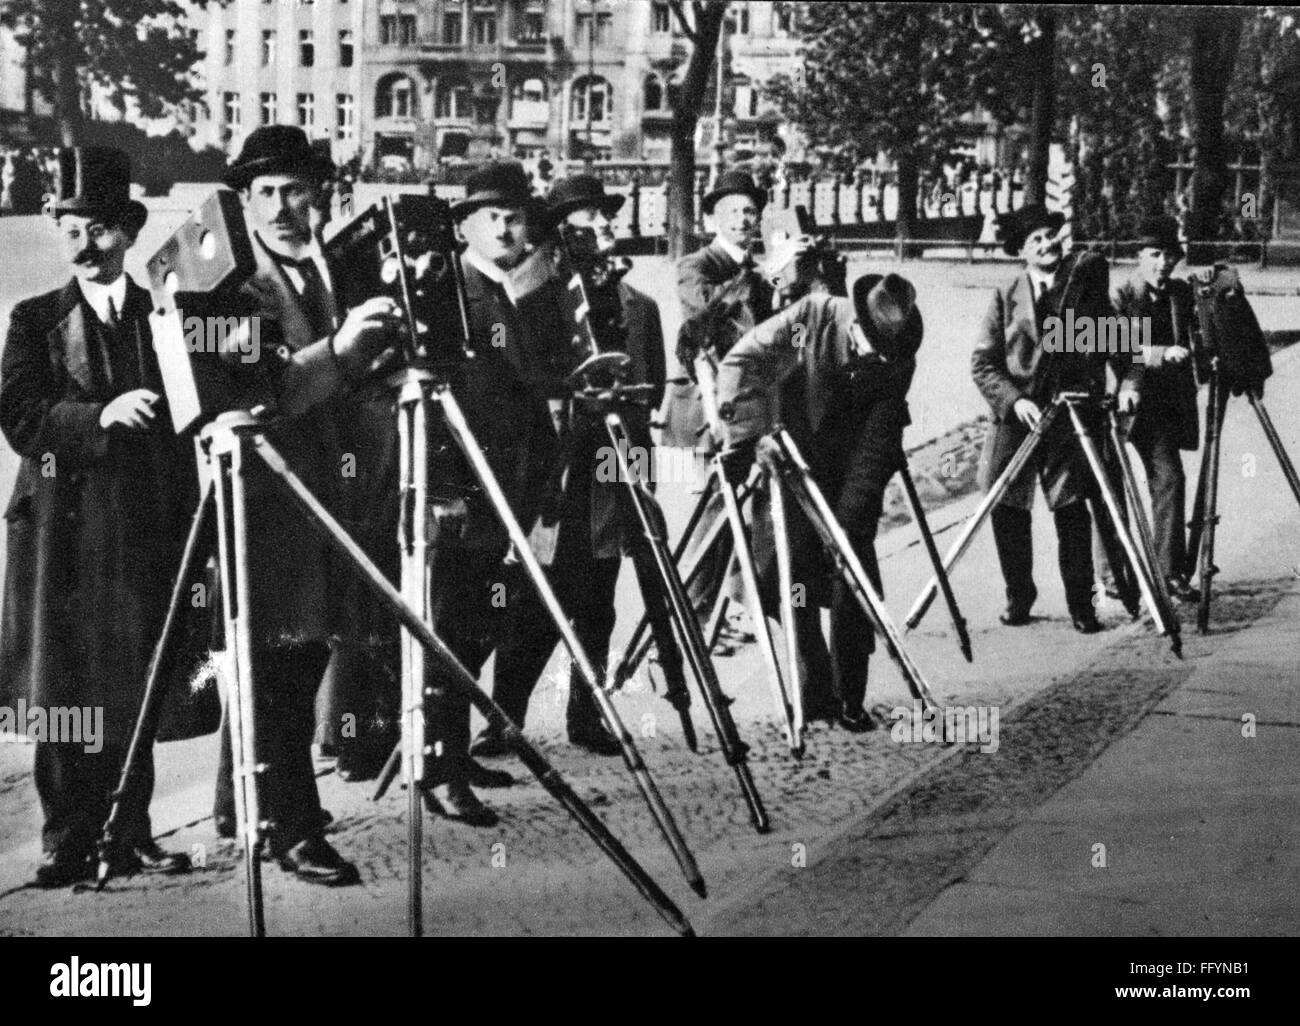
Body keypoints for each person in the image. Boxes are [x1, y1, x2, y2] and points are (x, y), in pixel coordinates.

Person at [210, 126, 403, 884]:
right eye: (266, 194)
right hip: (271, 500)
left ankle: (251, 802)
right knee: (281, 661)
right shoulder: (230, 286)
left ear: (321, 195)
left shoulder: (330, 266)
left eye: (297, 190)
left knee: (308, 651)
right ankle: (290, 827)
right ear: (247, 202)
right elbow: (264, 392)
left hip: (340, 492)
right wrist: (345, 352)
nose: (284, 207)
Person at [0, 146, 194, 886]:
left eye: (101, 229)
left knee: (133, 680)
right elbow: (20, 415)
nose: (84, 245)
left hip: (144, 527)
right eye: (70, 228)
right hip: (62, 531)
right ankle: (66, 834)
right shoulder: (35, 318)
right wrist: (100, 414)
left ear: (131, 232)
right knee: (64, 687)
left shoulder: (161, 316)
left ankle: (130, 827)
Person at [471, 174, 665, 757]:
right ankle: (506, 717)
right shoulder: (537, 296)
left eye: (605, 222)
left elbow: (648, 390)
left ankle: (590, 712)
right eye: (587, 222)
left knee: (598, 601)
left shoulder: (639, 305)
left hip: (610, 465)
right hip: (555, 468)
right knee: (531, 600)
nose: (601, 232)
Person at [415, 161, 558, 823]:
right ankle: (436, 769)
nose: (504, 226)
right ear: (465, 225)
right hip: (465, 493)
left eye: (514, 215)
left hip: (514, 490)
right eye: (490, 215)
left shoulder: (524, 290)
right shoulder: (451, 289)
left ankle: (453, 751)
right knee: (446, 629)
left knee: (478, 626)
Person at [717, 272, 922, 731]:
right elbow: (744, 360)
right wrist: (753, 436)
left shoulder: (900, 350)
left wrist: (850, 518)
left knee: (853, 575)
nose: (873, 359)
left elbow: (879, 438)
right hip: (789, 458)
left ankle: (850, 695)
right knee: (786, 577)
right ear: (856, 324)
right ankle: (815, 690)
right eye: (867, 347)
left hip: (850, 469)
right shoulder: (811, 317)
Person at [971, 204, 1141, 634]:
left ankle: (1081, 606)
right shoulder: (1005, 295)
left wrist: (1126, 384)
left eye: (1051, 236)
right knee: (1005, 506)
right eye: (1036, 240)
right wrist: (1013, 401)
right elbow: (983, 363)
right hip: (1017, 419)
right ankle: (1019, 595)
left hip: (1069, 419)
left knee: (1071, 511)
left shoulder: (1083, 287)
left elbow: (1122, 349)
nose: (1047, 245)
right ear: (1022, 252)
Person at [1111, 216, 1201, 602]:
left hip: (1162, 408)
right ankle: (1113, 577)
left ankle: (1169, 574)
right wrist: (1161, 353)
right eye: (1155, 254)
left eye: (1170, 255)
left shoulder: (1179, 293)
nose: (1163, 262)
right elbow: (1111, 346)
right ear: (1139, 256)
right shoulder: (1119, 294)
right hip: (1120, 401)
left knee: (1169, 481)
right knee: (1111, 490)